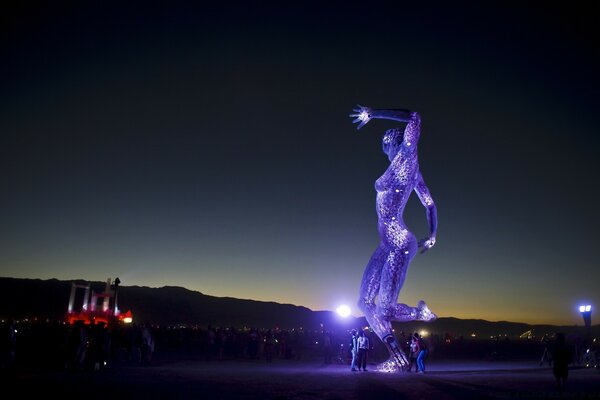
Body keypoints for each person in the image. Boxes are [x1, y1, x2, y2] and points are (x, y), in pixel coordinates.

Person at [350, 105, 438, 371]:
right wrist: (433, 235)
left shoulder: (408, 157)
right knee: (364, 302)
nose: (383, 147)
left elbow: (415, 116)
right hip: (385, 244)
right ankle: (397, 357)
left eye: (384, 142)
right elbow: (430, 204)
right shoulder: (409, 170)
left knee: (386, 309)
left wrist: (373, 112)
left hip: (400, 242)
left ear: (391, 141)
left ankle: (419, 313)